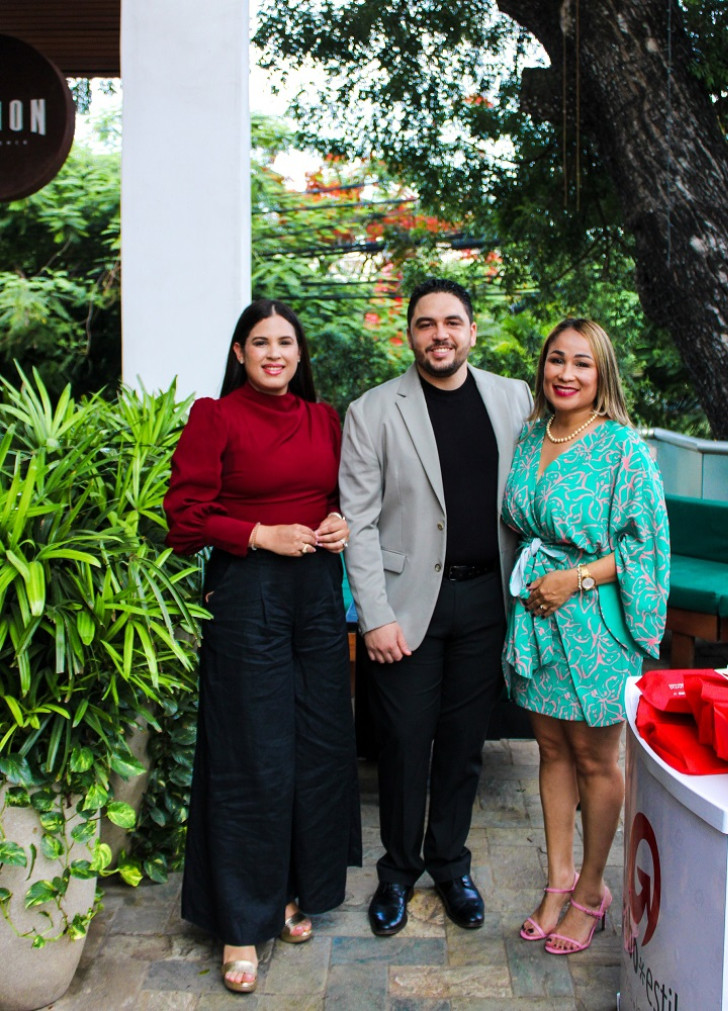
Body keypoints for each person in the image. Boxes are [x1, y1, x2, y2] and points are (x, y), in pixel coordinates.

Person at [164, 298, 361, 994]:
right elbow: (184, 520)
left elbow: (344, 495)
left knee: (315, 743)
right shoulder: (214, 417)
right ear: (240, 353)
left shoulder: (325, 419)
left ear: (300, 354)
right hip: (248, 594)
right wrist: (257, 533)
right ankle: (239, 923)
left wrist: (337, 522)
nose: (274, 353)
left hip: (315, 596)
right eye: (260, 342)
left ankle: (288, 888)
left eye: (285, 342)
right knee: (251, 752)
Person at [339, 277, 533, 936]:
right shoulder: (372, 410)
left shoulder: (514, 399)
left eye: (452, 321)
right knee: (401, 744)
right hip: (405, 605)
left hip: (488, 598)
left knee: (462, 746)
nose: (439, 334)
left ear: (471, 330)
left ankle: (451, 863)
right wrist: (374, 614)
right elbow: (358, 523)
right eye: (426, 323)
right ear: (410, 333)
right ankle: (397, 871)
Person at [502, 317, 669, 955]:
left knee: (598, 759)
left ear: (602, 375)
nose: (565, 374)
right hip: (536, 618)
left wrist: (574, 579)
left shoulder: (624, 448)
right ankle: (556, 881)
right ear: (541, 368)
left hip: (594, 620)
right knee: (550, 752)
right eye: (555, 361)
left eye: (581, 363)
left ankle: (592, 890)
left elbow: (645, 544)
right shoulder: (527, 437)